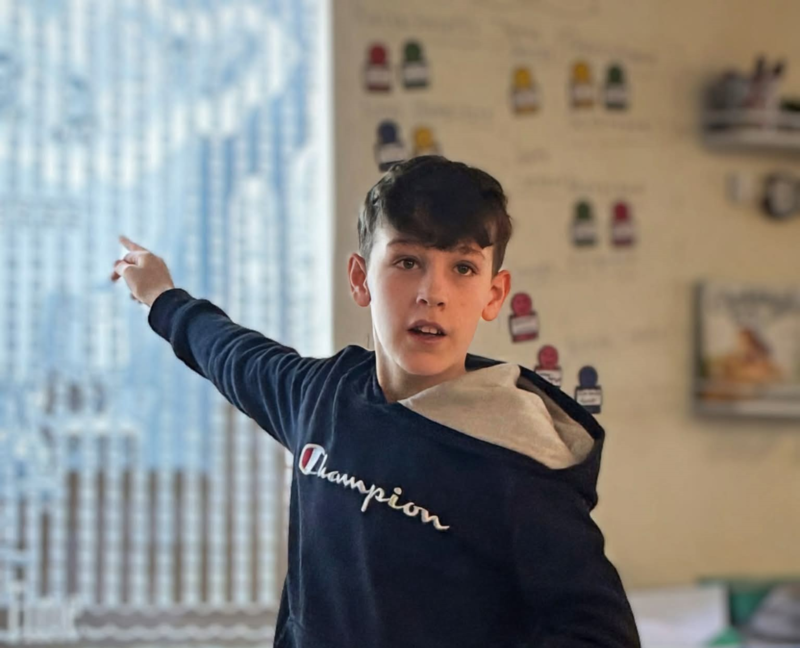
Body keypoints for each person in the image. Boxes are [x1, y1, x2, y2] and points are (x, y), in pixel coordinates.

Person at [111, 155, 641, 647]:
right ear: (361, 279)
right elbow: (230, 353)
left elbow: (599, 634)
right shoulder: (321, 397)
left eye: (462, 268)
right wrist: (160, 295)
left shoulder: (519, 461)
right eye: (408, 261)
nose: (432, 292)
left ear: (494, 295)